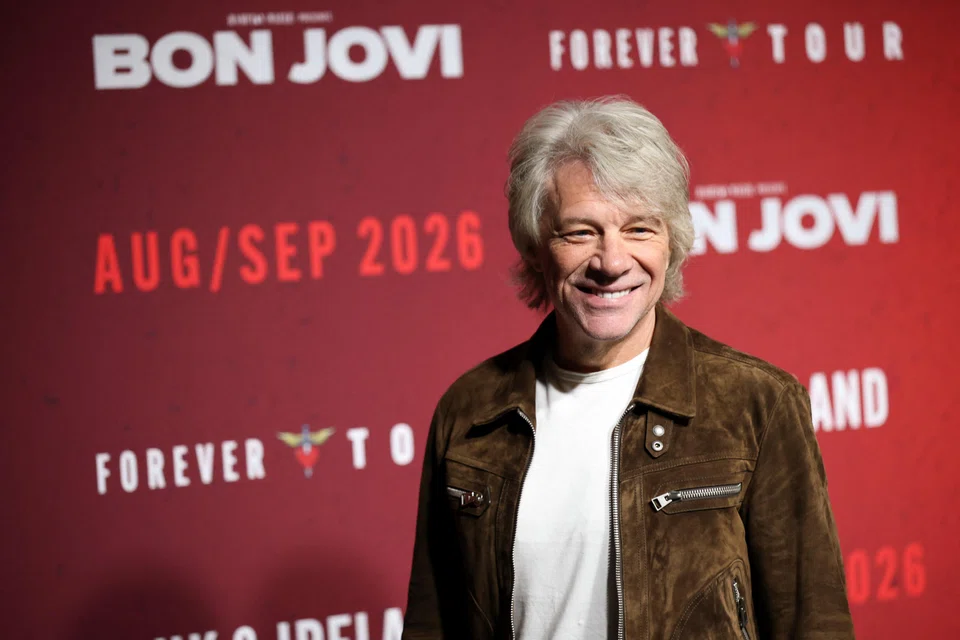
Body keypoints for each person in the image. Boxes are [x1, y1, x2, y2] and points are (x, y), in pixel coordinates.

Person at [401, 96, 855, 639]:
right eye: (580, 232)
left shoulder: (757, 403)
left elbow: (814, 622)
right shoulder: (471, 411)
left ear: (672, 243)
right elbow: (432, 623)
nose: (612, 262)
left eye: (640, 229)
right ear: (536, 247)